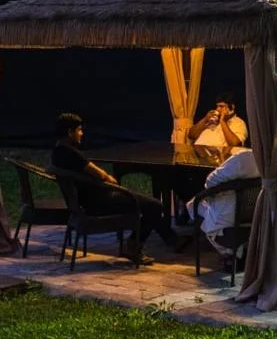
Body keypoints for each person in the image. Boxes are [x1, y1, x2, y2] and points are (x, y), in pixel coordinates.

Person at [51, 112, 183, 263]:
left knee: (150, 205)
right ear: (70, 132)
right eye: (79, 130)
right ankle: (134, 246)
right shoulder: (71, 153)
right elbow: (99, 173)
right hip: (99, 202)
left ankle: (172, 239)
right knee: (155, 206)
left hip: (88, 200)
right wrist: (111, 181)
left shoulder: (57, 152)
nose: (81, 134)